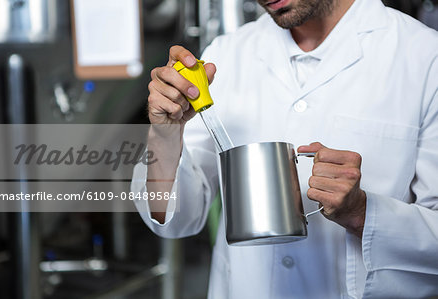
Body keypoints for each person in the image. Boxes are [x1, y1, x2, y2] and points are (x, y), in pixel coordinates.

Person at [132, 0, 438, 297]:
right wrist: (165, 133)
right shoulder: (227, 54)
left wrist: (362, 213)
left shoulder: (423, 56)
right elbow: (173, 218)